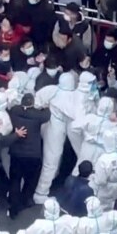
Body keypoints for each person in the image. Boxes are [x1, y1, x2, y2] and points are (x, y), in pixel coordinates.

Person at [33, 73, 77, 204]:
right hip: (54, 124)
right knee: (52, 159)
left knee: (54, 159)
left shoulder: (52, 90)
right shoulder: (70, 95)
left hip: (56, 123)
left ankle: (47, 185)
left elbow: (36, 103)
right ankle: (41, 192)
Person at [8, 93, 50, 219]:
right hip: (32, 155)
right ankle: (26, 200)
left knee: (15, 180)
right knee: (30, 180)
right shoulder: (38, 115)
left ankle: (13, 204)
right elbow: (47, 115)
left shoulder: (14, 111)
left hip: (16, 152)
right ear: (32, 103)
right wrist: (46, 106)